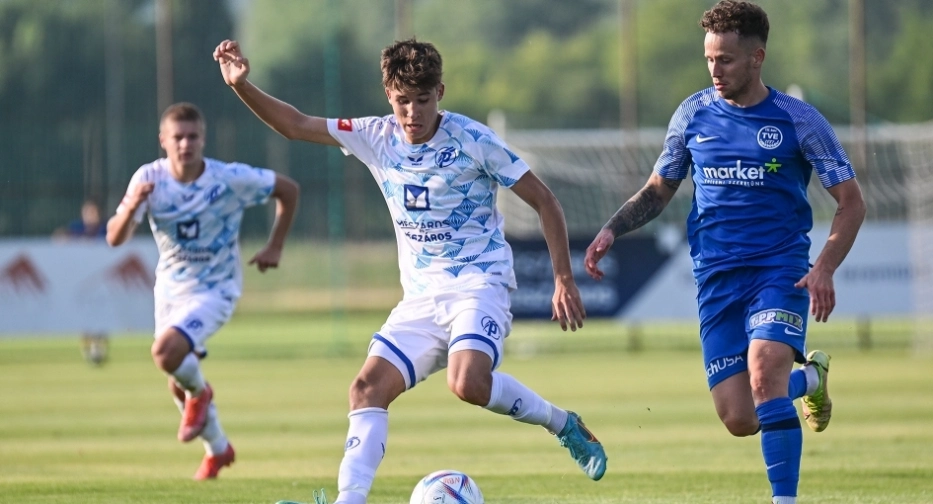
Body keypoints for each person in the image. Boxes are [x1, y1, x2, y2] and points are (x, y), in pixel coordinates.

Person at [214, 38, 607, 504]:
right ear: (388, 96)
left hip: (479, 284)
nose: (412, 113)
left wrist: (563, 278)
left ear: (440, 92)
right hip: (420, 299)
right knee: (365, 389)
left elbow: (545, 201)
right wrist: (242, 86)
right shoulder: (375, 135)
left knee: (466, 383)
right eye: (402, 101)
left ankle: (563, 424)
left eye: (423, 100)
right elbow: (296, 125)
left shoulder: (473, 140)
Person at [584, 2, 865, 503]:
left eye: (727, 60)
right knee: (739, 417)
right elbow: (658, 188)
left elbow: (851, 202)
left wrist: (823, 267)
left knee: (763, 370)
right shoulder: (693, 113)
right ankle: (811, 380)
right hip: (716, 278)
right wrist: (611, 229)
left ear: (757, 57)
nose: (715, 70)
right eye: (710, 59)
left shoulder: (798, 121)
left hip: (779, 270)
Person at [105, 102, 300, 480]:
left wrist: (275, 245)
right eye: (177, 137)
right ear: (163, 140)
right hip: (170, 290)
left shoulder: (227, 179)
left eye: (192, 136)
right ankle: (219, 450)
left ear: (203, 139)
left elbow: (288, 190)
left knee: (166, 353)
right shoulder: (148, 178)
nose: (185, 144)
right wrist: (130, 206)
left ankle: (201, 395)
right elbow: (115, 238)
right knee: (177, 380)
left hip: (216, 289)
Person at [54, 199, 111, 365]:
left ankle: (99, 346)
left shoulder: (105, 229)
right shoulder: (77, 228)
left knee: (101, 313)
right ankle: (88, 347)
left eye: (94, 212)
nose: (92, 216)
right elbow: (59, 238)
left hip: (100, 281)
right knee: (84, 314)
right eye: (88, 212)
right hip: (82, 281)